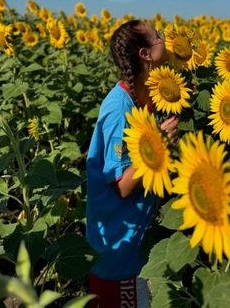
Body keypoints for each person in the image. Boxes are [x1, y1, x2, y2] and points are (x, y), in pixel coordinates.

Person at [85, 20, 179, 308]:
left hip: (133, 238)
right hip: (117, 246)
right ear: (145, 54)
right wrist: (157, 145)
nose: (165, 38)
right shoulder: (119, 110)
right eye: (159, 36)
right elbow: (123, 186)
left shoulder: (143, 95)